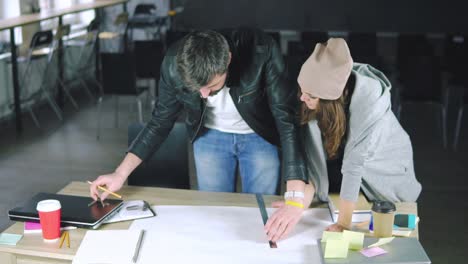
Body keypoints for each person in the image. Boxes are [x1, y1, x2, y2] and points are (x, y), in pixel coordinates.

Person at [89, 29, 309, 222]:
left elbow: (286, 118)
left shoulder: (262, 50)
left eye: (211, 85)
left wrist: (296, 196)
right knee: (214, 212)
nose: (203, 95)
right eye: (197, 88)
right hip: (210, 136)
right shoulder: (174, 63)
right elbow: (159, 122)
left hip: (260, 135)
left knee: (261, 210)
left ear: (228, 60)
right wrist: (119, 174)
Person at [265, 38, 421, 240]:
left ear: (332, 102)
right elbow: (313, 161)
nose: (302, 98)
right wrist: (298, 203)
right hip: (343, 177)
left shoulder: (370, 102)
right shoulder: (312, 97)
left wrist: (343, 224)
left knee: (386, 237)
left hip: (383, 177)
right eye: (301, 91)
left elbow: (354, 165)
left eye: (310, 96)